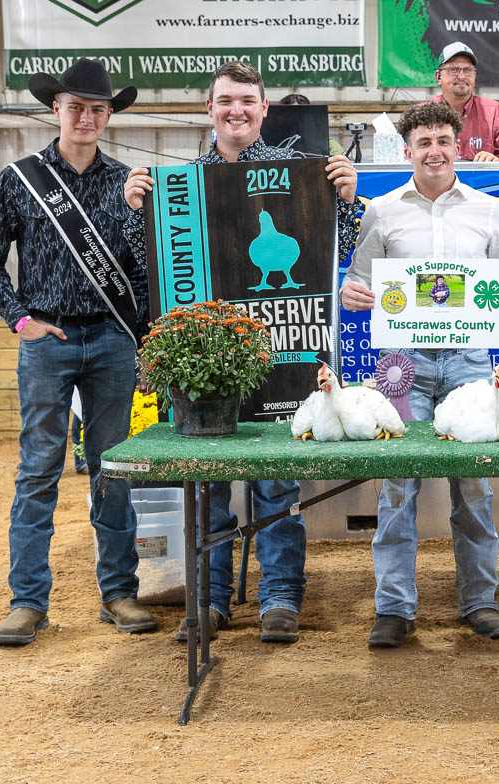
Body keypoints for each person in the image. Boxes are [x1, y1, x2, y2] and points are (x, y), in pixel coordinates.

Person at [124, 60, 359, 644]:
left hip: (283, 349)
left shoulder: (300, 176)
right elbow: (142, 266)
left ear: (264, 109)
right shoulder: (174, 185)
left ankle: (281, 594)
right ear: (209, 109)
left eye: (248, 101)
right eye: (226, 101)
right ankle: (208, 599)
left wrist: (348, 201)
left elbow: (339, 250)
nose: (237, 111)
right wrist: (133, 212)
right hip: (204, 358)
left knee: (277, 481)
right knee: (207, 482)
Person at [340, 100, 499, 648]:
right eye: (423, 142)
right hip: (402, 362)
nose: (434, 151)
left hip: (472, 359)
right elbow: (357, 285)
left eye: (443, 141)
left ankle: (479, 601)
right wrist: (352, 294)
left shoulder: (488, 210)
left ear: (459, 146)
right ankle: (394, 607)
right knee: (397, 482)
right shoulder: (380, 212)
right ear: (408, 150)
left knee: (474, 484)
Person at [0, 58, 155, 646]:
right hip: (46, 338)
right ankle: (28, 601)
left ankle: (120, 592)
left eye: (98, 108)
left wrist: (133, 217)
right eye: (76, 106)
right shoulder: (19, 178)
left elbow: (143, 271)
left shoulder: (128, 182)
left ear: (108, 116)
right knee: (38, 469)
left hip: (111, 337)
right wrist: (20, 319)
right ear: (56, 110)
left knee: (113, 468)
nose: (87, 117)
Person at [431, 41, 499, 162]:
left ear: (474, 75)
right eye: (453, 69)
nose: (461, 76)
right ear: (438, 76)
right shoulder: (421, 114)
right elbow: (406, 159)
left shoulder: (497, 113)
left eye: (467, 70)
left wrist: (497, 162)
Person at [278, 93, 345, 157]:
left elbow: (346, 162)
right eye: (290, 114)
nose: (296, 120)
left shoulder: (327, 144)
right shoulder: (269, 145)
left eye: (301, 114)